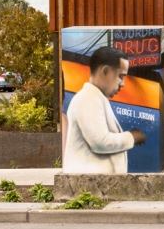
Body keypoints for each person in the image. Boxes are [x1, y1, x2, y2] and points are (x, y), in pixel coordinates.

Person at [63, 45, 147, 174]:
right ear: (105, 71)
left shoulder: (96, 98)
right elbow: (100, 142)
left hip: (94, 181)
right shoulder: (88, 99)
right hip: (89, 182)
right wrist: (132, 137)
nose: (123, 83)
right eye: (121, 76)